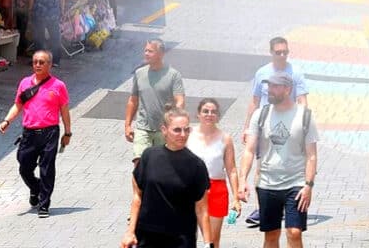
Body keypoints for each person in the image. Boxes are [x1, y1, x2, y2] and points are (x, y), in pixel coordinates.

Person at [238, 73, 319, 248]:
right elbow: (249, 150)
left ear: (287, 89)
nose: (270, 90)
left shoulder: (305, 116)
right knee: (271, 234)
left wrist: (308, 185)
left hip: (296, 184)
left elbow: (311, 155)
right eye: (269, 86)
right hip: (267, 183)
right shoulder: (260, 114)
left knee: (294, 232)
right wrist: (242, 179)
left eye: (275, 86)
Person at [121, 107, 214, 248]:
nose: (183, 134)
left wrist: (208, 244)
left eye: (186, 129)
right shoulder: (149, 156)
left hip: (181, 238)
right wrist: (130, 232)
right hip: (148, 235)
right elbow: (137, 197)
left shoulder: (196, 165)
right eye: (177, 130)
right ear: (164, 130)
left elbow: (202, 210)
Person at [0, 50, 71, 218]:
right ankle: (35, 188)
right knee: (24, 166)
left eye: (42, 62)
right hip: (29, 134)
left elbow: (65, 111)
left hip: (50, 133)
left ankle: (44, 204)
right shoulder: (25, 83)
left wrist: (68, 133)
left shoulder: (58, 86)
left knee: (47, 169)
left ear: (50, 65)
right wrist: (6, 121)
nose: (37, 65)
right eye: (35, 62)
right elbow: (17, 105)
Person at [188, 99, 243, 248]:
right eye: (205, 111)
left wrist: (236, 198)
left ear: (218, 115)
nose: (209, 114)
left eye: (213, 112)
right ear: (198, 114)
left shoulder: (225, 138)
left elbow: (231, 169)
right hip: (190, 189)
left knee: (212, 240)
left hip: (216, 189)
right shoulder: (188, 133)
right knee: (186, 237)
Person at [126, 39, 186, 163]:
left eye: (150, 51)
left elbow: (180, 100)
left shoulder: (173, 75)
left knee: (162, 166)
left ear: (161, 54)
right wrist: (127, 125)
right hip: (143, 128)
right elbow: (133, 100)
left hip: (163, 130)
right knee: (139, 165)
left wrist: (174, 119)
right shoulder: (139, 73)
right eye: (145, 50)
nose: (146, 53)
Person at [29, 0, 66, 66]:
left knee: (39, 37)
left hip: (39, 12)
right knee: (55, 36)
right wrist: (62, 9)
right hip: (54, 12)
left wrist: (29, 9)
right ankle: (56, 61)